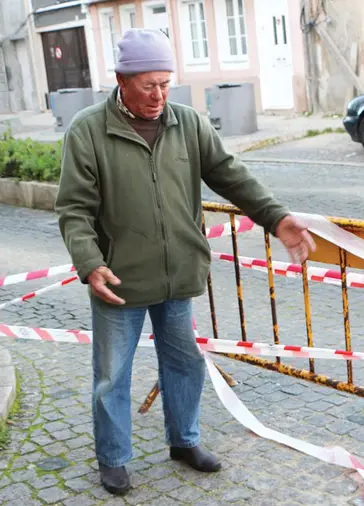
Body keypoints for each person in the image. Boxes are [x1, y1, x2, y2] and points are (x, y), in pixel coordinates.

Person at [54, 28, 317, 497]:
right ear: (121, 80)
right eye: (148, 85)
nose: (159, 95)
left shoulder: (189, 124)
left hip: (179, 274)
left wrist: (277, 218)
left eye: (165, 83)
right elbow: (74, 208)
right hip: (120, 279)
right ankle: (113, 459)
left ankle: (185, 440)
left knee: (185, 363)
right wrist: (90, 262)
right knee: (112, 376)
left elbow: (230, 176)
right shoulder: (88, 130)